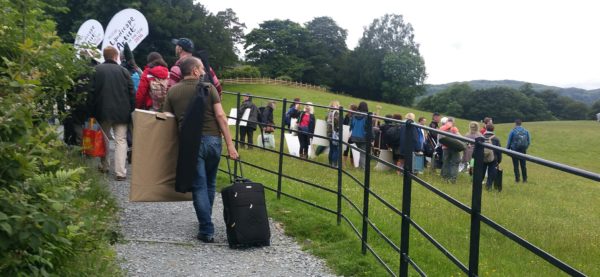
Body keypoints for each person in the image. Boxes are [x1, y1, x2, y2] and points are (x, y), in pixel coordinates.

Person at [162, 57, 238, 243]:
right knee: (210, 184)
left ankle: (206, 228)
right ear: (195, 70)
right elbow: (220, 115)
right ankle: (206, 221)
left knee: (199, 186)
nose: (204, 71)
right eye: (202, 68)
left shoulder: (172, 91)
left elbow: (165, 119)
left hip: (190, 144)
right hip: (213, 141)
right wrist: (230, 144)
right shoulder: (208, 88)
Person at [89, 46, 134, 181]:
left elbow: (91, 92)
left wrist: (91, 111)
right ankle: (121, 172)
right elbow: (132, 92)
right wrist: (131, 109)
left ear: (104, 56)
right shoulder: (124, 71)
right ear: (116, 56)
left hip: (102, 111)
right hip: (122, 112)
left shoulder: (96, 70)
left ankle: (105, 165)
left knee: (104, 139)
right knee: (121, 140)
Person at [507, 119, 531, 183]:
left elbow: (509, 141)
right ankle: (525, 179)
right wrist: (525, 148)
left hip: (514, 150)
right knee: (523, 165)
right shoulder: (526, 131)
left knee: (516, 165)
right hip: (523, 150)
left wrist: (507, 150)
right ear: (521, 123)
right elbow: (529, 142)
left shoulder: (512, 131)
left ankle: (517, 179)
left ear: (515, 123)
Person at [439, 117, 461, 183]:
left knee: (446, 163)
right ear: (453, 122)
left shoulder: (442, 128)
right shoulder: (454, 128)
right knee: (455, 163)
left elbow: (440, 138)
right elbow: (459, 137)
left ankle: (445, 178)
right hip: (454, 148)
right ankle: (453, 179)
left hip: (445, 148)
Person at [482, 124, 502, 190]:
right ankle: (488, 186)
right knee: (491, 173)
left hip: (482, 157)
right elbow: (499, 151)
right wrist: (499, 160)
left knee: (481, 172)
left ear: (486, 128)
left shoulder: (481, 137)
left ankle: (478, 185)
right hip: (493, 158)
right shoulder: (496, 139)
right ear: (493, 129)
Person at [350, 102, 369, 169]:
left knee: (361, 152)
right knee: (363, 153)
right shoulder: (367, 116)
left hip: (354, 136)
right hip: (363, 136)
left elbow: (351, 125)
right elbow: (368, 127)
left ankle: (360, 167)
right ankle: (362, 168)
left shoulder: (354, 115)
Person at [326, 100, 341, 167]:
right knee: (335, 149)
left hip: (329, 132)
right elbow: (337, 122)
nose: (338, 107)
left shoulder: (328, 113)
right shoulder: (336, 114)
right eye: (337, 105)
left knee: (331, 148)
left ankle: (330, 163)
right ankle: (334, 164)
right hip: (335, 133)